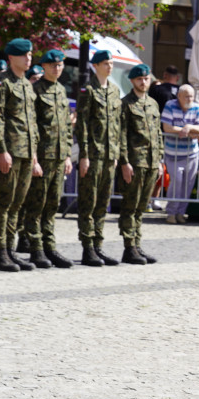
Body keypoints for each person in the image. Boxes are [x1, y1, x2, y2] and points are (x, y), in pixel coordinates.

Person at [20, 49, 74, 268]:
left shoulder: (61, 90)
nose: (57, 68)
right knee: (36, 204)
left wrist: (68, 155)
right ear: (43, 67)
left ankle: (50, 247)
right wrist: (33, 159)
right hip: (42, 157)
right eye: (53, 65)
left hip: (59, 157)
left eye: (60, 65)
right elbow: (31, 127)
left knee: (52, 204)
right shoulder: (35, 90)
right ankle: (35, 249)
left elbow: (67, 128)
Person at [0, 38, 41, 272]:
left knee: (17, 204)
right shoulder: (2, 83)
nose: (28, 58)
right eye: (24, 55)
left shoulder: (27, 85)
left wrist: (34, 155)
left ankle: (10, 250)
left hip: (26, 152)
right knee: (3, 202)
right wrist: (2, 150)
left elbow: (31, 122)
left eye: (30, 54)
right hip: (10, 152)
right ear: (11, 57)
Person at [75, 49, 123, 267]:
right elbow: (82, 125)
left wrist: (116, 154)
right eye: (105, 63)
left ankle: (98, 245)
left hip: (108, 156)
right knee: (89, 201)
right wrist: (83, 155)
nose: (109, 66)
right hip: (92, 155)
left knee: (103, 202)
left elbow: (117, 126)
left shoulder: (114, 91)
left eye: (111, 63)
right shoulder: (88, 90)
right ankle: (87, 248)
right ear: (95, 66)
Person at [117, 64, 164, 265]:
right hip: (135, 162)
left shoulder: (153, 104)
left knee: (141, 207)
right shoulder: (125, 104)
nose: (143, 82)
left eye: (146, 79)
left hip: (152, 162)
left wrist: (160, 159)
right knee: (130, 205)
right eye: (139, 79)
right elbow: (121, 136)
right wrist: (124, 162)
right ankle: (129, 247)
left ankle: (137, 244)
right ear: (132, 81)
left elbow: (158, 134)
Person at [161, 84, 199, 225]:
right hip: (173, 152)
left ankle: (181, 213)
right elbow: (167, 127)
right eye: (186, 96)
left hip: (191, 153)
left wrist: (189, 127)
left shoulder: (197, 107)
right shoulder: (170, 105)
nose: (189, 98)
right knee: (177, 181)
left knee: (187, 184)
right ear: (179, 96)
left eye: (191, 96)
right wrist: (185, 131)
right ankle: (171, 212)